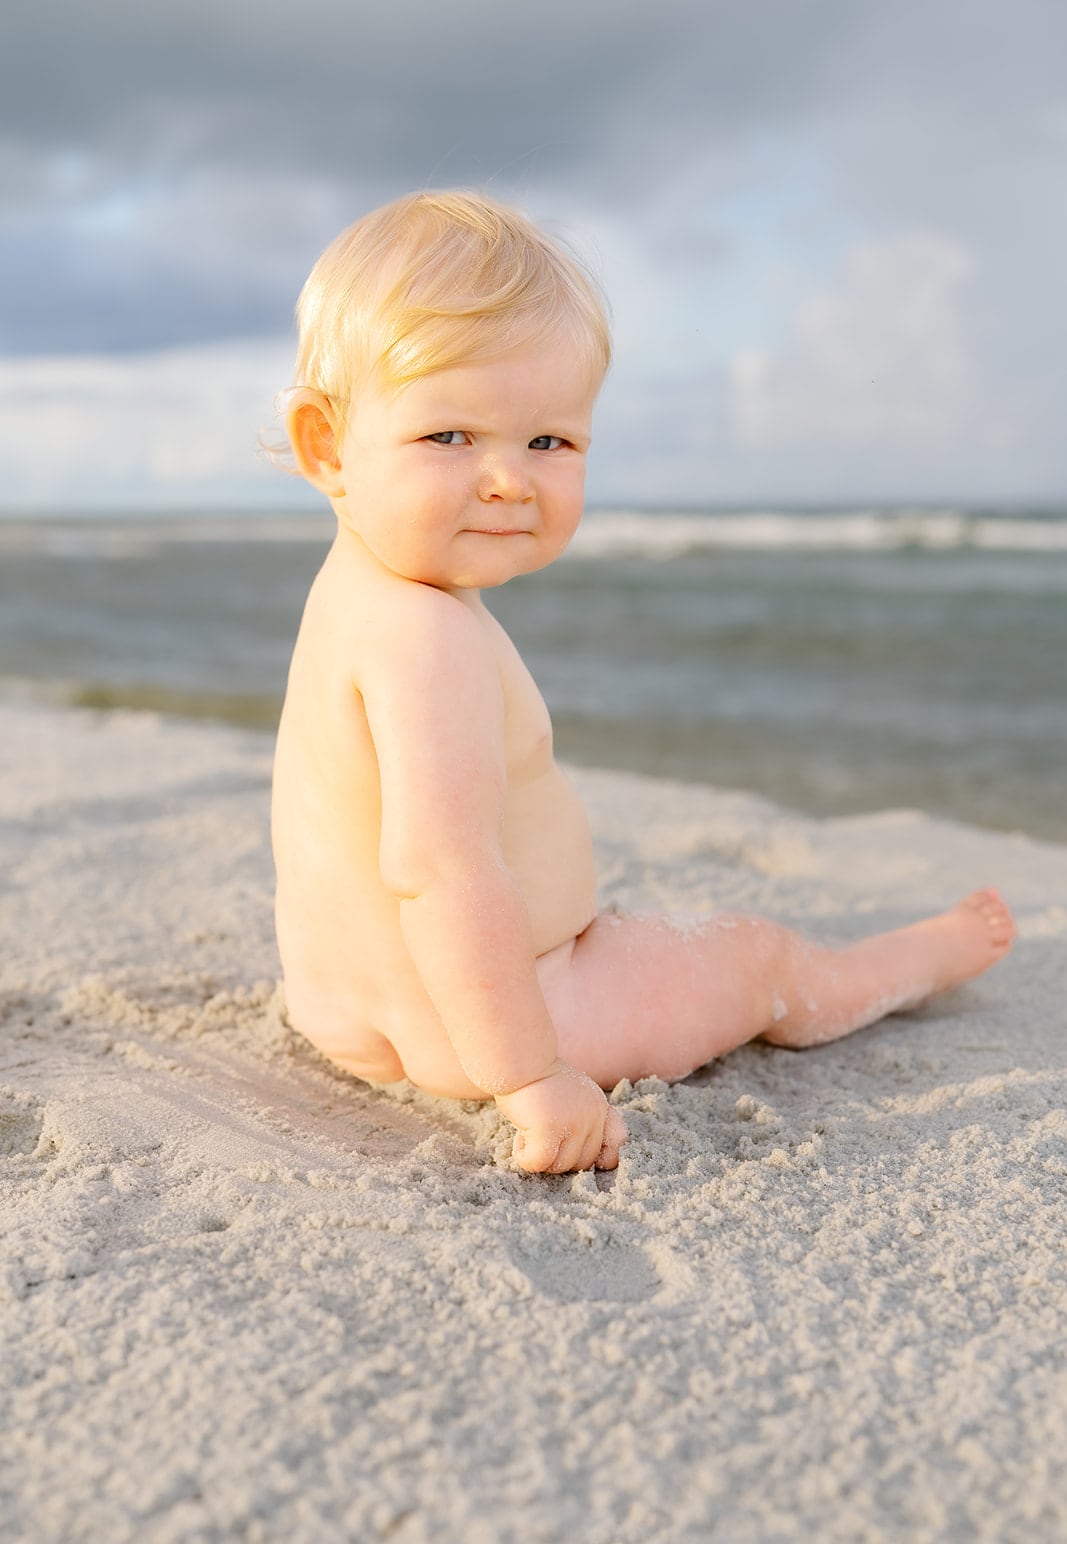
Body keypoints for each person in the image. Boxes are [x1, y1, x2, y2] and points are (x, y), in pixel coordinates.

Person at [271, 190, 1015, 1175]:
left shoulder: (354, 595)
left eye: (548, 441)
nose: (508, 478)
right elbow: (441, 874)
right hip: (505, 1016)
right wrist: (531, 1073)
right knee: (754, 956)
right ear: (325, 443)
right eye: (449, 436)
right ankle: (899, 965)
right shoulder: (429, 639)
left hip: (346, 1010)